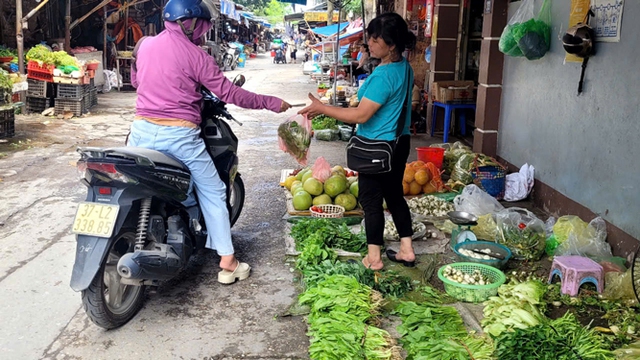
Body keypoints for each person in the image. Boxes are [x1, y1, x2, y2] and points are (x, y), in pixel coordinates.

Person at [129, 0, 292, 284]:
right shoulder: (197, 56)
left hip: (140, 132)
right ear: (190, 23)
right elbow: (230, 94)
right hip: (178, 136)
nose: (205, 31)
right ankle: (228, 262)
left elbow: (136, 81)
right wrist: (270, 102)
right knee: (214, 190)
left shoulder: (144, 46)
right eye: (203, 25)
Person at [298, 13, 417, 270]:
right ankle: (407, 249)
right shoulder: (404, 68)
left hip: (376, 146)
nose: (369, 44)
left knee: (371, 200)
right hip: (399, 142)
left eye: (375, 40)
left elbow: (361, 115)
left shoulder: (384, 76)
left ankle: (374, 258)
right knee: (395, 195)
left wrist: (324, 108)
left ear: (391, 45)